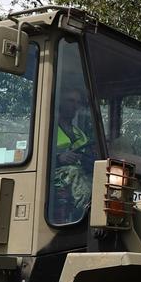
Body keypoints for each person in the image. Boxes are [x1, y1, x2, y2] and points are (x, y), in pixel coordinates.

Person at [51, 87, 97, 223]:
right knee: (75, 172)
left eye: (77, 102)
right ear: (60, 102)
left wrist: (85, 158)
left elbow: (89, 158)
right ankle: (88, 216)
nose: (75, 105)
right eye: (70, 101)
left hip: (79, 175)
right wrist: (59, 158)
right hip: (54, 176)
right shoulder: (48, 128)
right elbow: (38, 157)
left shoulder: (80, 134)